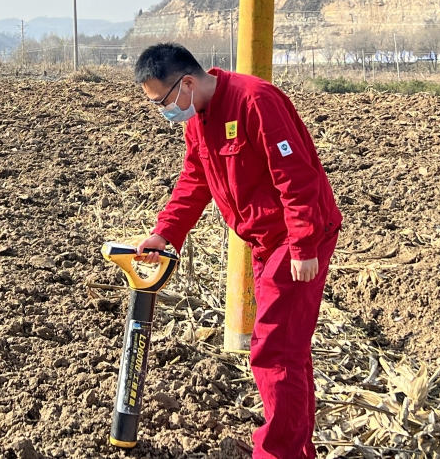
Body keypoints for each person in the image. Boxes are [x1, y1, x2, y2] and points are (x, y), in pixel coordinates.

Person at [133, 42, 341, 459]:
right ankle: (297, 450)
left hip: (296, 238)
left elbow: (295, 175)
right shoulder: (200, 119)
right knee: (289, 351)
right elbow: (195, 179)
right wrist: (166, 233)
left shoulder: (255, 101)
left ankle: (277, 453)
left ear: (187, 83)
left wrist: (302, 245)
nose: (165, 113)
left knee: (273, 350)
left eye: (164, 102)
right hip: (265, 241)